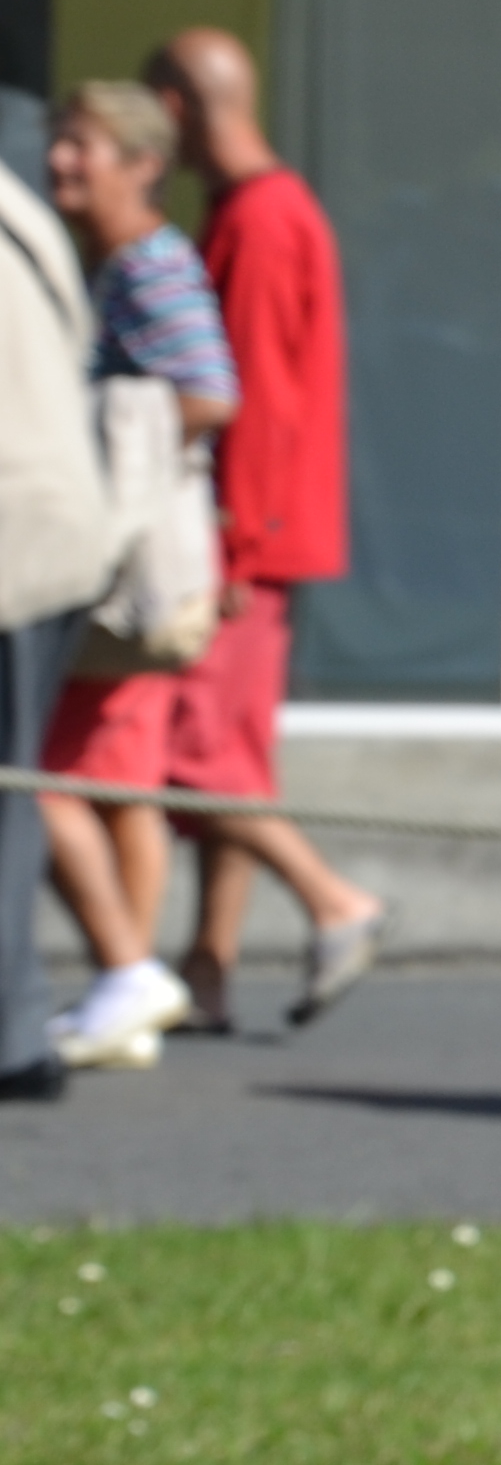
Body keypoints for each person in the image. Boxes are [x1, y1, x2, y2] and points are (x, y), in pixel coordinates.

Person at [143, 28, 387, 1031]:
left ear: (177, 108)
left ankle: (334, 901)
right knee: (232, 753)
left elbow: (249, 395)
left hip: (249, 535)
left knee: (197, 757)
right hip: (265, 531)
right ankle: (209, 964)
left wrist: (234, 539)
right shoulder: (263, 210)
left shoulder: (260, 219)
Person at [34, 78, 239, 1069]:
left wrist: (111, 480)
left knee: (46, 779)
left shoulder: (150, 266)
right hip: (125, 573)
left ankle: (127, 972)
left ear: (144, 164)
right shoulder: (115, 262)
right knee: (117, 786)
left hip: (124, 570)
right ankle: (127, 982)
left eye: (83, 144)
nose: (60, 160)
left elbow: (209, 392)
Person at [0, 131, 120, 1100]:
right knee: (13, 789)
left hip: (17, 535)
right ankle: (14, 1026)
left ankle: (12, 1029)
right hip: (56, 525)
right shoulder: (20, 207)